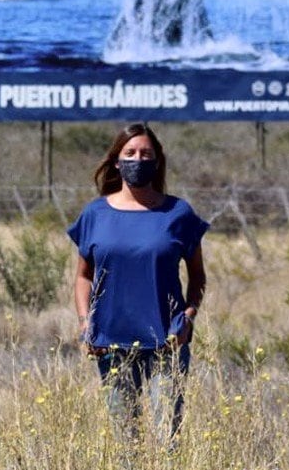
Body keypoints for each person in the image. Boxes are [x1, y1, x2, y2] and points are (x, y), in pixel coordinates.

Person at [67, 123, 208, 445]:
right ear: (116, 160)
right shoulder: (95, 213)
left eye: (146, 154)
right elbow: (83, 276)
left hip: (166, 341)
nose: (137, 160)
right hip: (110, 341)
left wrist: (188, 316)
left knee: (166, 440)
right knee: (125, 441)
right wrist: (85, 321)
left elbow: (197, 275)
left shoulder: (178, 213)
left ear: (157, 161)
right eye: (129, 153)